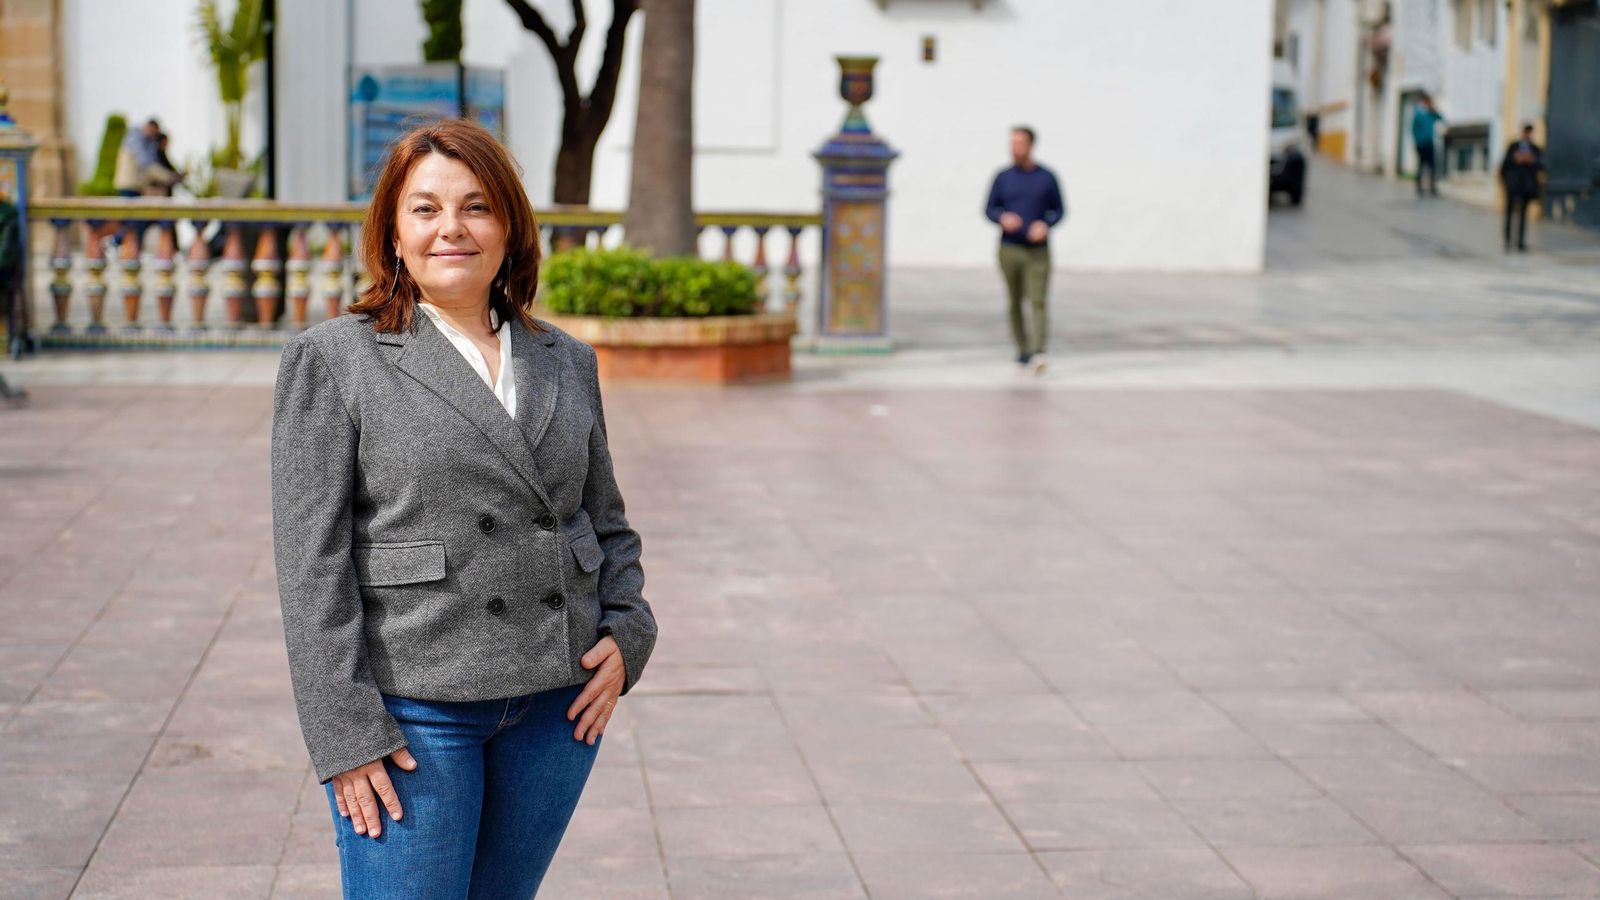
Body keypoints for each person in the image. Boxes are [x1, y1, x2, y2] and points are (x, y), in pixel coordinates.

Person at [270, 118, 657, 898]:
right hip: (416, 711)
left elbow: (604, 519)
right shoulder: (335, 359)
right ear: (392, 233)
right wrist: (344, 735)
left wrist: (631, 630)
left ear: (510, 228)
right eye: (425, 209)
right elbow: (311, 567)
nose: (452, 228)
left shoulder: (565, 361)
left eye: (477, 207)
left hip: (557, 703)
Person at [985, 126, 1064, 374]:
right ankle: (1023, 349)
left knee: (1037, 299)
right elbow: (989, 209)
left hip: (1038, 250)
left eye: (1020, 143)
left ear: (1030, 145)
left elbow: (1059, 210)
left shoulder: (1046, 177)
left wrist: (1046, 224)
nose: (1015, 148)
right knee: (1014, 301)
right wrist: (1002, 218)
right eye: (1012, 143)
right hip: (1010, 248)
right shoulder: (1003, 177)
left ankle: (1039, 349)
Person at [1500, 123, 1546, 252]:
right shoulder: (1513, 147)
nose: (1527, 135)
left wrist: (1532, 161)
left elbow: (1542, 166)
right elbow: (1504, 165)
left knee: (1523, 215)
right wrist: (1516, 159)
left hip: (1526, 187)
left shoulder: (1535, 149)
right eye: (1525, 132)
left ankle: (1520, 242)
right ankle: (1507, 241)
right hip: (1513, 185)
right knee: (1509, 213)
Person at [112, 118, 162, 198]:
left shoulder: (142, 140)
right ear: (150, 127)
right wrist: (166, 176)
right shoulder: (135, 139)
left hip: (135, 185)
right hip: (128, 184)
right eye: (154, 132)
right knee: (128, 209)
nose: (153, 135)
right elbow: (145, 162)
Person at [1411, 94, 1445, 197]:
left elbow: (1441, 118)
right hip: (1421, 144)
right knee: (1421, 166)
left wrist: (1434, 110)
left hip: (1430, 143)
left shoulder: (1431, 114)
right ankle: (1419, 187)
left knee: (1432, 166)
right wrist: (1417, 141)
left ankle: (1432, 188)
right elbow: (1413, 129)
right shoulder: (1418, 114)